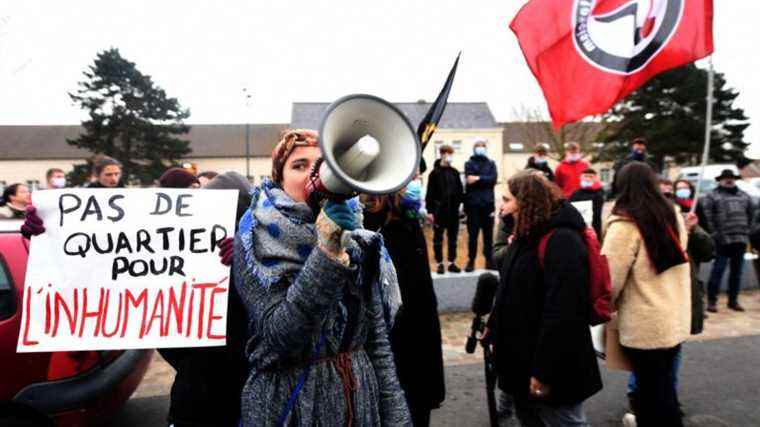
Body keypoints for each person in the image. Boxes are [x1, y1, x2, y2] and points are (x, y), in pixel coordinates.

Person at [233, 129, 411, 426]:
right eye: (299, 165)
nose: (313, 173)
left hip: (358, 400)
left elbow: (377, 346)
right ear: (279, 177)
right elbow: (281, 335)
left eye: (323, 164)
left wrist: (397, 419)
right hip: (290, 407)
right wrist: (327, 253)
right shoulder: (255, 240)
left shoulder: (360, 243)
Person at [487, 171, 602, 426]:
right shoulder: (524, 235)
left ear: (525, 202)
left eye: (507, 200)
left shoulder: (561, 239)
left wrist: (544, 372)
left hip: (554, 368)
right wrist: (494, 326)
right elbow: (509, 289)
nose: (502, 206)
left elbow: (563, 313)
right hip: (521, 361)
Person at [602, 162, 690, 427]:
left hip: (643, 320)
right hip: (673, 314)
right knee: (662, 387)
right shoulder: (671, 214)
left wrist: (603, 306)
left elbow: (610, 279)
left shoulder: (624, 224)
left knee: (653, 392)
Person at [362, 183, 446, 427]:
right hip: (387, 356)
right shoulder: (370, 229)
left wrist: (434, 384)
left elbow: (425, 308)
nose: (414, 186)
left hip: (416, 358)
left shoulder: (408, 227)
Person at [702, 169, 754, 313]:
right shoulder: (712, 196)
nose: (728, 180)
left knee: (737, 273)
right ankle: (712, 302)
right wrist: (715, 234)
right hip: (721, 240)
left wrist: (746, 231)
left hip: (741, 239)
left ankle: (733, 301)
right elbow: (708, 216)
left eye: (731, 177)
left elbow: (751, 214)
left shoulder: (745, 196)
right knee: (717, 271)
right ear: (720, 180)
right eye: (725, 178)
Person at [426, 144, 464, 274]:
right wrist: (430, 211)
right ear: (441, 154)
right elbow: (429, 194)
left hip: (453, 211)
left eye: (450, 153)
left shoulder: (455, 172)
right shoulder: (434, 173)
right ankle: (440, 264)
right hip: (439, 212)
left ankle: (451, 263)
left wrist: (461, 206)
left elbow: (460, 191)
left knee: (453, 239)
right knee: (438, 239)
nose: (449, 156)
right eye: (446, 153)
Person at [464, 140, 498, 272]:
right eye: (478, 147)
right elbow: (469, 180)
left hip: (488, 204)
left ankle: (489, 260)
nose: (480, 149)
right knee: (473, 235)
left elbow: (493, 179)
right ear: (474, 149)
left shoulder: (491, 164)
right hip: (473, 205)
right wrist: (484, 179)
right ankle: (471, 261)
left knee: (488, 235)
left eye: (482, 147)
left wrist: (478, 178)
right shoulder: (469, 164)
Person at [569, 168, 605, 238]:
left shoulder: (599, 193)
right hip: (578, 224)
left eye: (591, 177)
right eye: (585, 176)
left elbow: (596, 212)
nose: (588, 179)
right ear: (581, 178)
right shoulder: (576, 193)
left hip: (593, 226)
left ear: (595, 178)